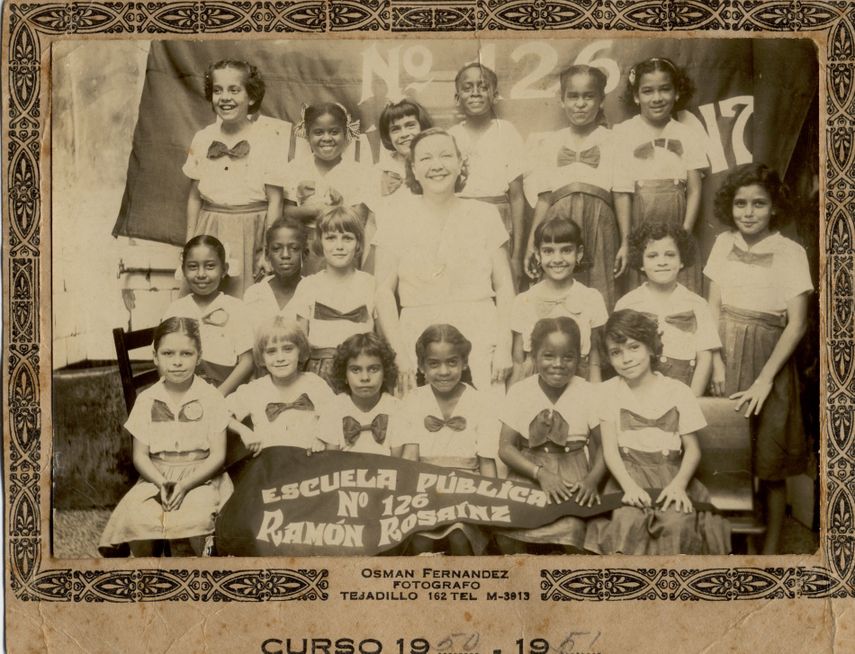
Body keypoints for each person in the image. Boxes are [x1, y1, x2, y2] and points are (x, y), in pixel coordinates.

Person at [705, 162, 812, 554]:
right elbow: (711, 309)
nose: (748, 212)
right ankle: (730, 549)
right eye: (740, 204)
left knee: (769, 460)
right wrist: (715, 360)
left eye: (758, 204)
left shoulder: (790, 251)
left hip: (771, 360)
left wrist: (766, 379)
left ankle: (768, 557)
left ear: (774, 208)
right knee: (728, 456)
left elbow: (797, 324)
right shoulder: (721, 245)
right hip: (727, 352)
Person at [374, 128, 514, 395]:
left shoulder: (485, 214)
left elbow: (505, 286)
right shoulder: (394, 217)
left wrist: (504, 345)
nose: (437, 165)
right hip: (416, 333)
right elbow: (382, 291)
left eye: (446, 155)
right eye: (426, 158)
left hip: (480, 332)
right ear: (413, 169)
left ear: (460, 162)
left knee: (485, 422)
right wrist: (398, 353)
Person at [585, 310, 731, 555]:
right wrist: (629, 487)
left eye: (634, 347)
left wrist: (679, 485)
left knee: (677, 523)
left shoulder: (677, 390)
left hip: (671, 475)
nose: (626, 358)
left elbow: (693, 450)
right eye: (616, 352)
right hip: (627, 476)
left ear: (651, 348)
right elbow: (610, 451)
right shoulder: (607, 392)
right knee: (628, 522)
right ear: (609, 358)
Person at [99, 318, 231, 557]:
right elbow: (140, 455)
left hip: (201, 477)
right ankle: (148, 568)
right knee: (138, 515)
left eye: (186, 353)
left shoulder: (211, 397)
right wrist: (162, 483)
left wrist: (185, 484)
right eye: (168, 353)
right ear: (155, 356)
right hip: (156, 476)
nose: (177, 362)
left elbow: (218, 455)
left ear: (199, 356)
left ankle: (190, 566)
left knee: (196, 516)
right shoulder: (147, 399)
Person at [497, 317, 605, 554]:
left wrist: (592, 480)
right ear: (534, 356)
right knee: (507, 527)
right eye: (548, 356)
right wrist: (540, 474)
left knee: (572, 529)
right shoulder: (520, 391)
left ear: (579, 358)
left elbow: (604, 448)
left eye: (568, 357)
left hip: (572, 473)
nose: (558, 364)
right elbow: (505, 448)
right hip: (529, 470)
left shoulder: (589, 393)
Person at [525, 64, 626, 309]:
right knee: (558, 291)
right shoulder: (551, 143)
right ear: (562, 100)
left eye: (588, 96)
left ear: (601, 100)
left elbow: (622, 195)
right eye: (573, 96)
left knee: (600, 291)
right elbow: (544, 199)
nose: (580, 104)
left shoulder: (615, 141)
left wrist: (625, 242)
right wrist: (530, 243)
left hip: (601, 223)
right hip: (558, 221)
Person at [183, 59, 287, 296]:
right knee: (204, 304)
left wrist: (267, 251)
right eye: (218, 90)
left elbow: (276, 201)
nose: (225, 97)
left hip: (252, 232)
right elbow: (194, 198)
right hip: (209, 228)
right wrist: (189, 243)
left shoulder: (268, 139)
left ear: (251, 97)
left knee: (247, 304)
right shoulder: (202, 138)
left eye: (234, 90)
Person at [396, 324, 498, 555]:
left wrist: (493, 501)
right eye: (434, 364)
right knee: (420, 540)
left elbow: (487, 462)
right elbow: (409, 460)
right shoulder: (412, 401)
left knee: (459, 536)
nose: (444, 371)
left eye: (452, 362)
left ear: (465, 362)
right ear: (421, 366)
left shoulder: (481, 402)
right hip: (424, 489)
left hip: (467, 488)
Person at [613, 57, 707, 293]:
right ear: (636, 97)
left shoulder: (688, 132)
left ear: (676, 93)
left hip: (677, 217)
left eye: (665, 89)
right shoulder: (623, 132)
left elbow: (695, 189)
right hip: (640, 219)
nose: (656, 98)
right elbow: (622, 192)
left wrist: (685, 233)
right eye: (647, 91)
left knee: (680, 283)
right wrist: (626, 240)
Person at [615, 222, 720, 395]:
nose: (662, 262)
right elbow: (620, 353)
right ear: (640, 262)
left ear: (681, 261)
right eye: (652, 256)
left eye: (670, 255)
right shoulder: (628, 304)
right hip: (639, 388)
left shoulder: (697, 304)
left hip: (685, 388)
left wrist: (692, 401)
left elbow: (705, 357)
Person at [448, 63, 527, 284]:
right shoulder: (450, 136)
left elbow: (517, 196)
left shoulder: (506, 132)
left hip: (500, 218)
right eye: (467, 87)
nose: (475, 92)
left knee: (501, 285)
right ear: (457, 97)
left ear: (495, 94)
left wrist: (517, 255)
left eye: (483, 86)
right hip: (460, 220)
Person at [510, 218, 606, 384]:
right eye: (548, 251)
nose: (557, 259)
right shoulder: (524, 300)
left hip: (579, 381)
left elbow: (595, 357)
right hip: (535, 384)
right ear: (538, 254)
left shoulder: (591, 298)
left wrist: (596, 393)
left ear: (579, 253)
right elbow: (519, 361)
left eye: (566, 250)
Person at [282, 102, 374, 274]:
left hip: (344, 246)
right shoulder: (296, 168)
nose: (326, 138)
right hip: (305, 247)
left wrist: (337, 207)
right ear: (307, 135)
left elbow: (359, 218)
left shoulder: (358, 172)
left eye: (334, 132)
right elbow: (287, 211)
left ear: (346, 134)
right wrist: (311, 210)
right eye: (318, 132)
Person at [291, 206, 375, 389]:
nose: (339, 246)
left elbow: (381, 341)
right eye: (330, 238)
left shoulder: (370, 284)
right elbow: (300, 342)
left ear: (358, 243)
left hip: (361, 373)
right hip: (318, 375)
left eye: (347, 238)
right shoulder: (308, 286)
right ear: (320, 242)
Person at [226, 316, 334, 455]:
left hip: (310, 466)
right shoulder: (255, 390)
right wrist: (244, 432)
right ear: (262, 357)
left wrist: (322, 438)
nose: (280, 358)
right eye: (271, 351)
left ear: (300, 351)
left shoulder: (315, 384)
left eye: (288, 349)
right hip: (270, 468)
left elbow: (333, 416)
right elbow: (219, 413)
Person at [163, 235, 253, 396]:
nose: (201, 274)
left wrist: (219, 394)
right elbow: (164, 358)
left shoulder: (236, 308)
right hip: (183, 389)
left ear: (224, 270)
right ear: (183, 270)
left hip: (227, 391)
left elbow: (247, 361)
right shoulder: (176, 309)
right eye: (192, 266)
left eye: (210, 266)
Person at [318, 332, 400, 455]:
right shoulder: (333, 408)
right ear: (344, 375)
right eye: (355, 370)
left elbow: (399, 464)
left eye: (373, 369)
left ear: (385, 373)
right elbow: (330, 463)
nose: (365, 377)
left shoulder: (397, 409)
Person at [242, 216, 307, 334]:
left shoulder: (312, 292)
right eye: (277, 249)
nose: (285, 255)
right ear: (267, 254)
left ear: (305, 254)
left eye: (294, 248)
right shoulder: (254, 294)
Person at [375, 99, 433, 198]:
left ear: (422, 127)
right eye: (395, 129)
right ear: (388, 136)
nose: (404, 134)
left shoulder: (435, 163)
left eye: (410, 126)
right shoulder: (378, 172)